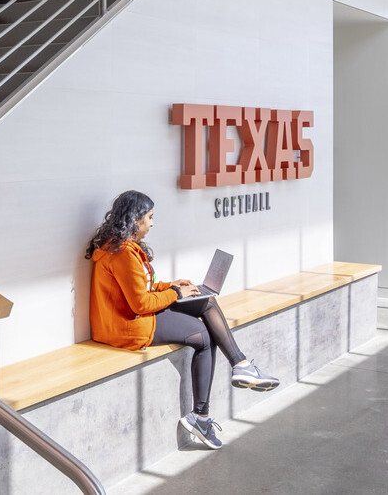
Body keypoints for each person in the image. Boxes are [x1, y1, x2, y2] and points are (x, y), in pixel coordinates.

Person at [85, 190, 280, 450]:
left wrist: (172, 285)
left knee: (207, 302)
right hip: (127, 326)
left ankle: (239, 367)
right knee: (202, 334)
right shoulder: (122, 253)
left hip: (131, 317)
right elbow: (140, 303)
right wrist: (175, 293)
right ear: (135, 219)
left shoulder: (120, 247)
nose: (152, 223)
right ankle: (204, 414)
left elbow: (142, 286)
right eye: (150, 218)